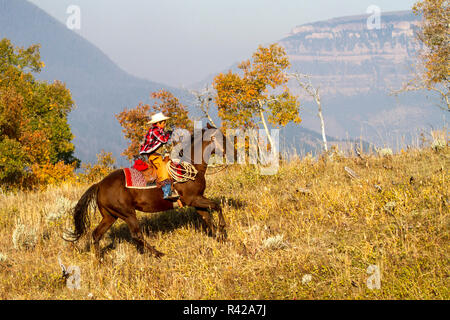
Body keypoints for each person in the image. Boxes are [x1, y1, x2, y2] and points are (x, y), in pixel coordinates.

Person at [139, 112, 178, 200]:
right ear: (158, 123)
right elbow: (163, 140)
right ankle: (166, 192)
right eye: (163, 122)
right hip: (153, 155)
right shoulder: (155, 130)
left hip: (157, 154)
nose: (165, 124)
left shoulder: (158, 130)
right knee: (163, 168)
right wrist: (168, 133)